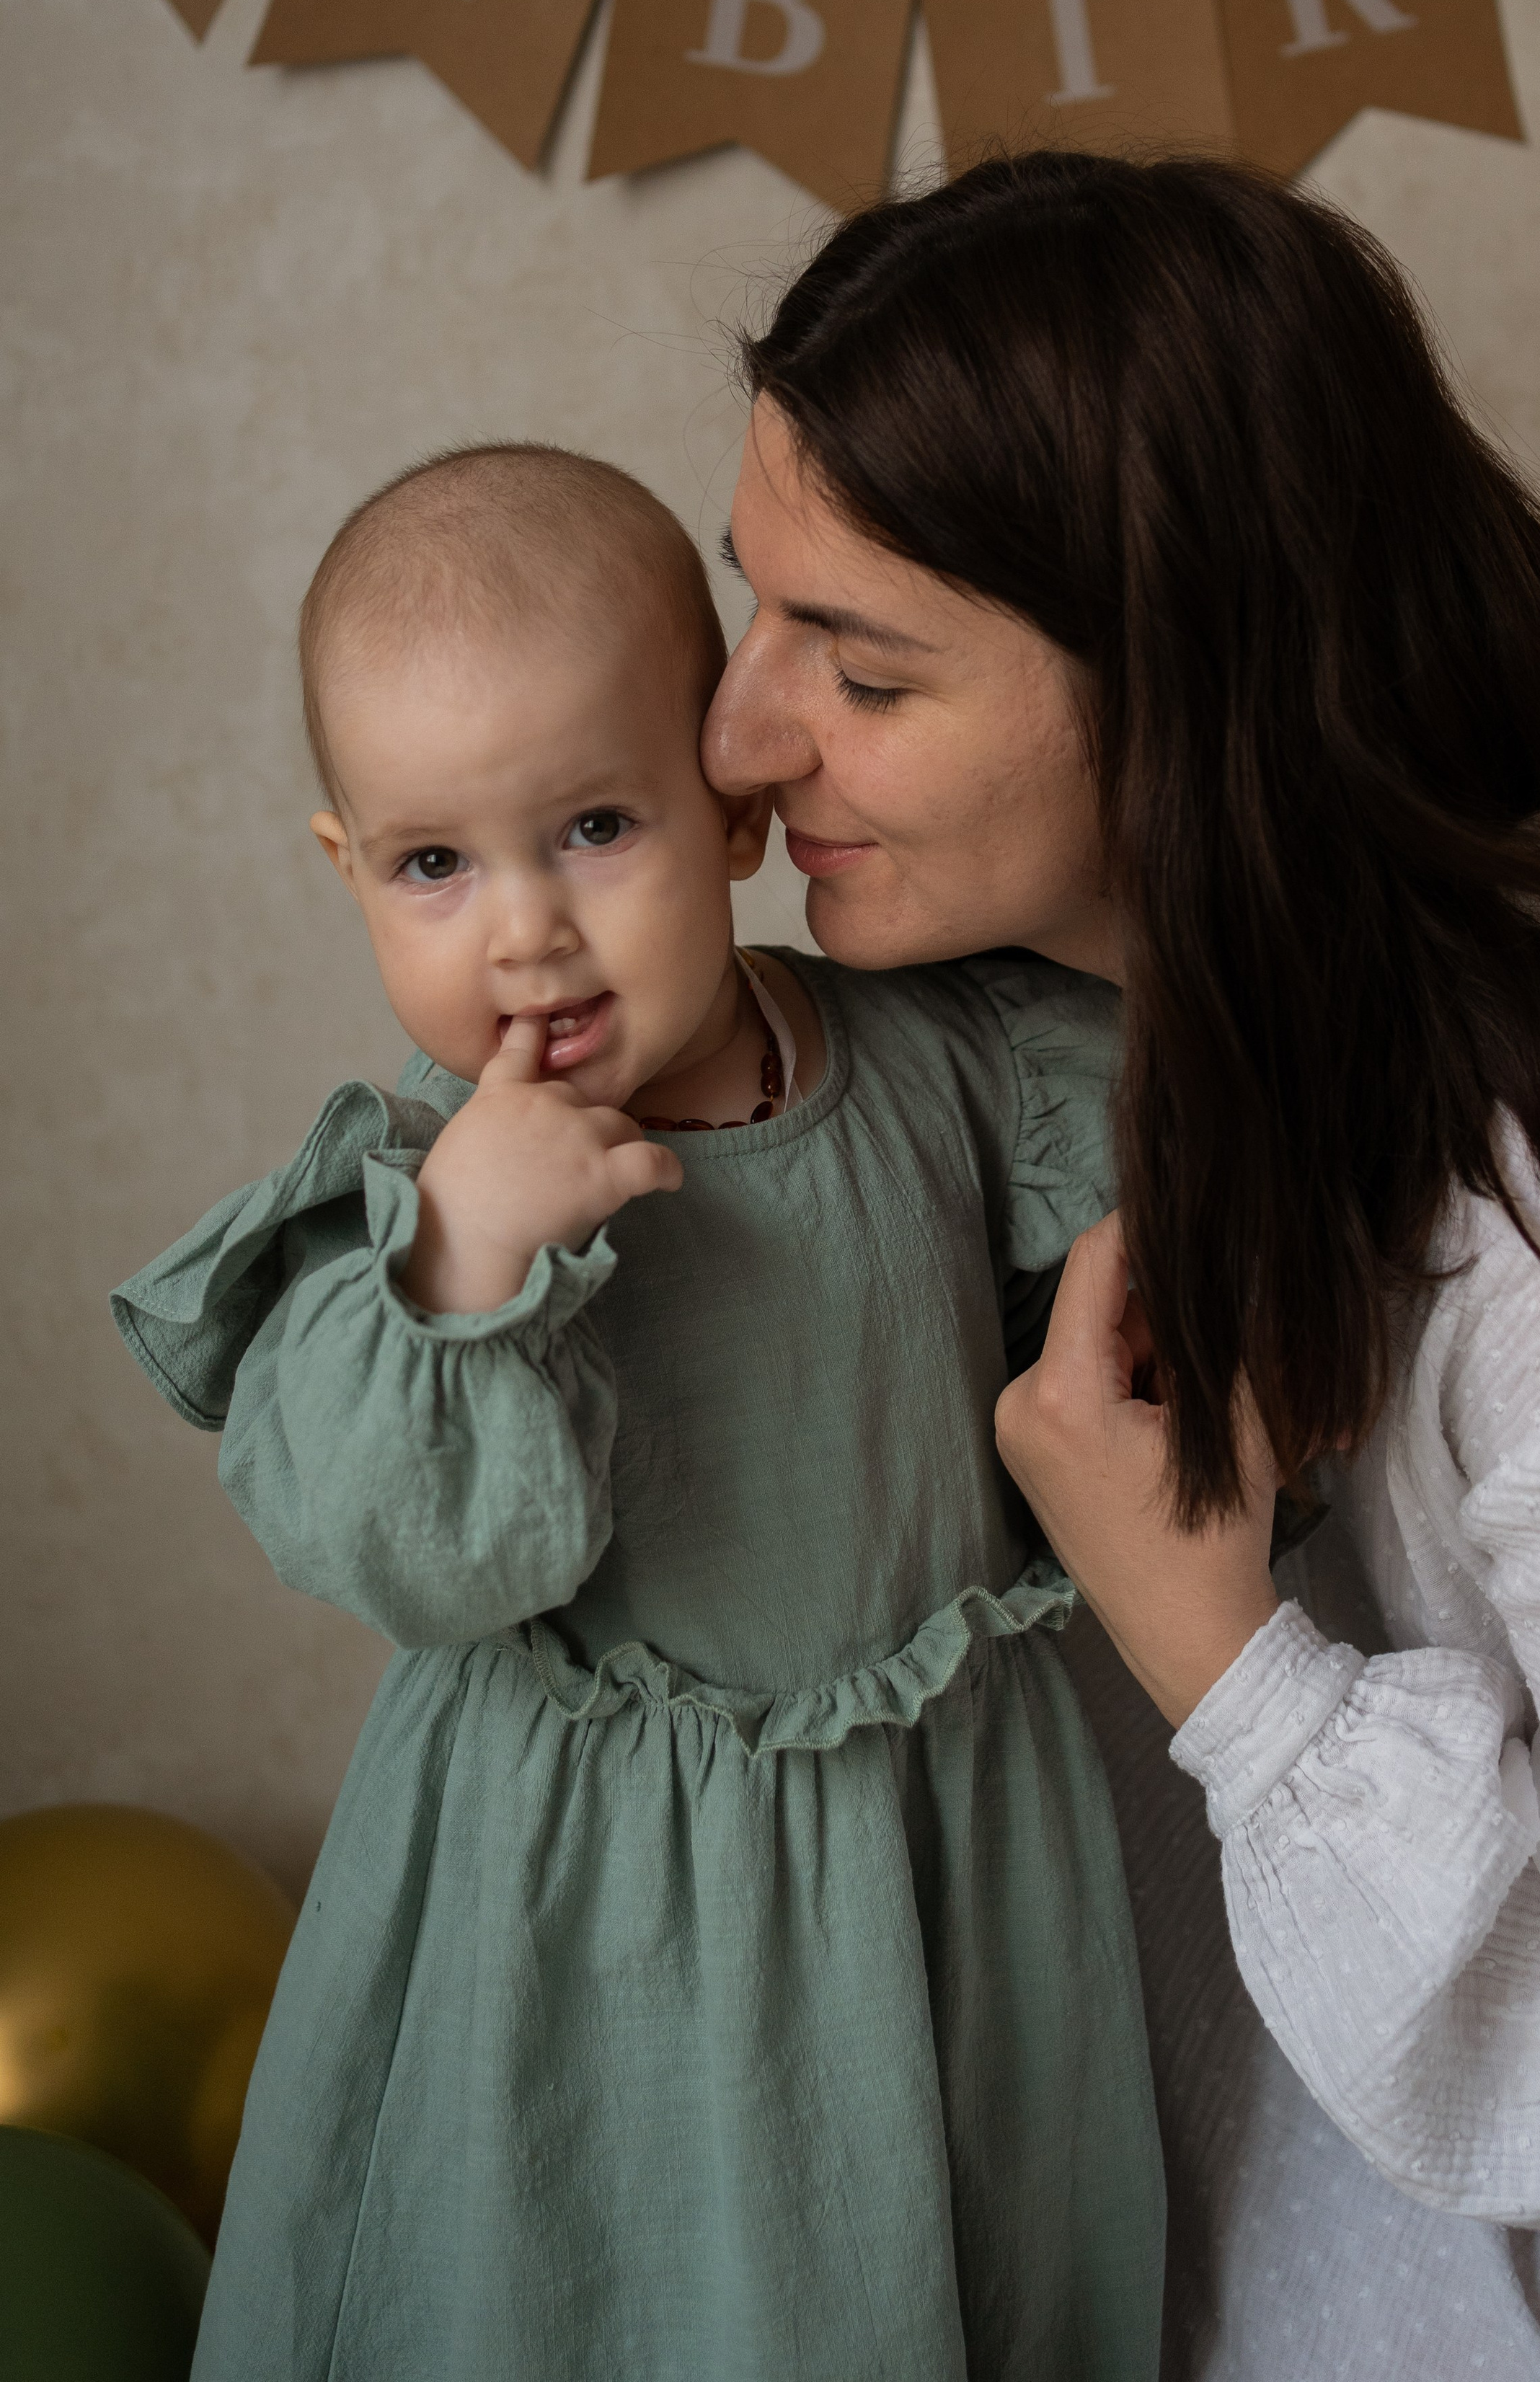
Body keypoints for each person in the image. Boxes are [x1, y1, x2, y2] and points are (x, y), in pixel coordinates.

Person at [702, 148, 1540, 2378]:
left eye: (859, 664)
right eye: (756, 611)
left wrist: (1230, 1664)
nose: (740, 744)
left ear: (1186, 682)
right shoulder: (1142, 1025)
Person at [110, 444, 1165, 2381]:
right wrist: (463, 1277)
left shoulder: (951, 1055)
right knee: (568, 2291)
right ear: (350, 869)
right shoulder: (413, 1199)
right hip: (579, 1903)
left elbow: (1126, 1311)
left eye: (597, 825)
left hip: (935, 1844)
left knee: (968, 2257)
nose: (525, 930)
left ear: (730, 802)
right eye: (437, 864)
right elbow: (410, 1553)